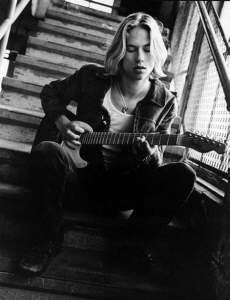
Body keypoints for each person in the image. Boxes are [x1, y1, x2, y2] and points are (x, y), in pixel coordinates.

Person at [19, 12, 196, 275]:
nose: (140, 59)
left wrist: (148, 155)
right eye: (131, 49)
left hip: (122, 190)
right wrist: (64, 124)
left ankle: (130, 247)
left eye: (147, 49)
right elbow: (50, 92)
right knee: (47, 151)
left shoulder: (165, 100)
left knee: (183, 173)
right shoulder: (91, 77)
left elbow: (156, 160)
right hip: (78, 180)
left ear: (157, 52)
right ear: (119, 52)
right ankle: (46, 241)